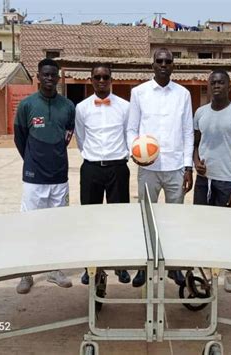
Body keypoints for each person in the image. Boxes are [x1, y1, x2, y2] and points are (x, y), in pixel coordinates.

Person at [127, 48, 194, 287]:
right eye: (159, 61)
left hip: (176, 167)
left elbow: (187, 132)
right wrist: (134, 152)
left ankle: (173, 267)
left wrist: (188, 167)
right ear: (152, 65)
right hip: (148, 168)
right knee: (146, 217)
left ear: (173, 65)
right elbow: (131, 129)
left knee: (175, 219)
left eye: (168, 61)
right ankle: (145, 266)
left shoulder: (183, 94)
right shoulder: (139, 93)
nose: (164, 64)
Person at [13, 58, 76, 294]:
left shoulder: (68, 106)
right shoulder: (27, 105)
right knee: (31, 225)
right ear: (38, 77)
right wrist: (32, 159)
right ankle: (26, 272)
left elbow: (68, 135)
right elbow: (20, 138)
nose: (49, 79)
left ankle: (54, 269)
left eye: (53, 75)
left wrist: (53, 155)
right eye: (45, 75)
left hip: (59, 177)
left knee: (57, 225)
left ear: (58, 78)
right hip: (33, 178)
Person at [193, 68, 231, 292]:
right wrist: (196, 161)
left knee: (228, 228)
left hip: (227, 181)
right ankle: (208, 269)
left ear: (229, 87)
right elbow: (195, 143)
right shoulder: (200, 113)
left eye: (221, 83)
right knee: (202, 226)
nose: (216, 86)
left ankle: (229, 270)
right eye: (213, 83)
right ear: (208, 86)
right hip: (204, 180)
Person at [75, 63, 131, 285]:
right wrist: (93, 158)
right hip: (91, 168)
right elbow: (81, 138)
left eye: (105, 77)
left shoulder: (125, 107)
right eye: (97, 77)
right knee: (90, 220)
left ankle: (121, 264)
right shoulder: (81, 108)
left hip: (118, 167)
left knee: (119, 219)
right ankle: (91, 266)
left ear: (111, 79)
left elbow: (129, 134)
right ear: (91, 80)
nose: (101, 81)